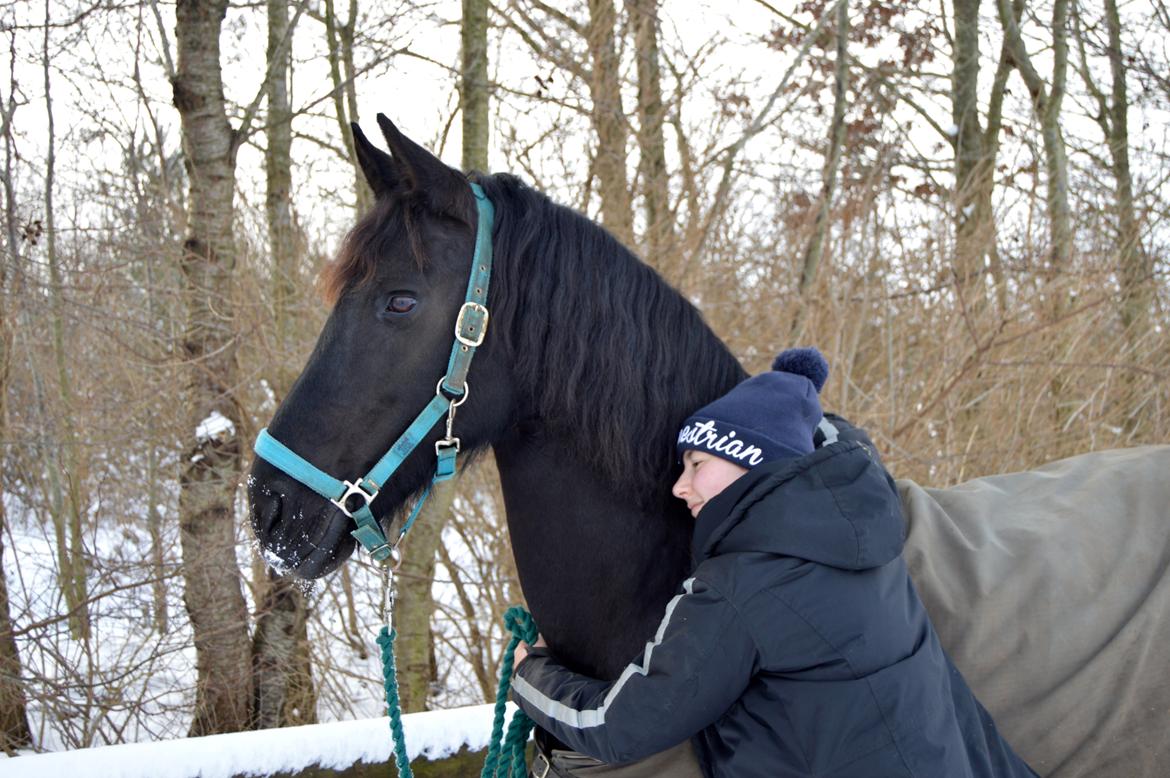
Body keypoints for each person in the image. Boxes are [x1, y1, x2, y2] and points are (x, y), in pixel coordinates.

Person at [512, 348, 1038, 778]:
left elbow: (621, 727)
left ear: (749, 462)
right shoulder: (866, 527)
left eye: (697, 464)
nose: (679, 486)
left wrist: (530, 674)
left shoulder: (740, 589)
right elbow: (829, 436)